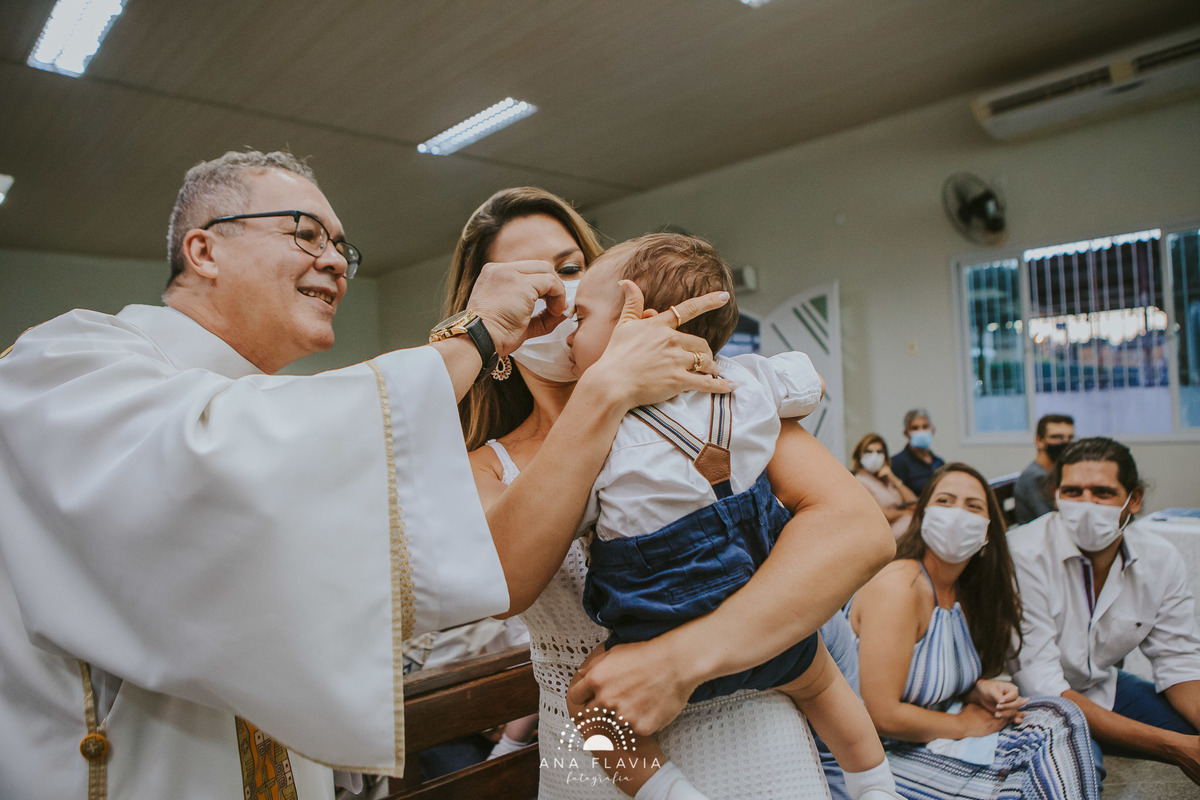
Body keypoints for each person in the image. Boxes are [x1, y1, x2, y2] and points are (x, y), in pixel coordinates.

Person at [0, 153, 730, 800]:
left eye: (343, 247)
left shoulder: (703, 401)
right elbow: (222, 459)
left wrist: (717, 663)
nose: (336, 262)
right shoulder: (68, 360)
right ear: (203, 249)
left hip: (743, 714)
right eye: (305, 233)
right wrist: (480, 344)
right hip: (595, 750)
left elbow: (832, 541)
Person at [447, 187, 897, 799]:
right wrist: (604, 392)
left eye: (571, 268)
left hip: (759, 735)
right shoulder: (484, 467)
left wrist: (677, 663)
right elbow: (507, 582)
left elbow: (859, 532)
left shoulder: (710, 395)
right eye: (526, 278)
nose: (557, 295)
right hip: (597, 759)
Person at [564, 234, 899, 800]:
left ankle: (666, 793)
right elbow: (809, 384)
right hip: (761, 609)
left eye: (580, 316)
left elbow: (575, 514)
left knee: (588, 710)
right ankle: (875, 783)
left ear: (637, 324)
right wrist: (728, 370)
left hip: (656, 623)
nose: (569, 333)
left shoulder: (599, 429)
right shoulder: (746, 380)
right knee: (822, 680)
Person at [850, 463, 1100, 799]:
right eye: (945, 501)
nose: (957, 514)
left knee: (1057, 715)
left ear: (986, 532)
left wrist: (977, 692)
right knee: (1039, 760)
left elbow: (925, 676)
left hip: (929, 739)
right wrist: (963, 725)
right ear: (922, 517)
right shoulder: (900, 586)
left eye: (973, 506)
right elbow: (882, 715)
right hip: (882, 753)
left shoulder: (964, 592)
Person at [1009, 437, 1200, 785]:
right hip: (1033, 703)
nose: (1086, 505)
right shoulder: (1024, 554)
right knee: (1079, 775)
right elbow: (1044, 687)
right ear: (1055, 495)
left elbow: (1178, 660)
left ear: (1134, 499)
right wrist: (1174, 748)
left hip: (1100, 687)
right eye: (1072, 492)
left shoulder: (1159, 559)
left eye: (1102, 492)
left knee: (1190, 726)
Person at [1012, 413, 1075, 524]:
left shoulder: (1050, 473)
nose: (1065, 443)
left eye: (1070, 438)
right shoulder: (1036, 477)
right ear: (1039, 441)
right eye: (1057, 437)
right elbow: (1050, 521)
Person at [851, 433, 917, 537]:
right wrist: (909, 513)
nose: (874, 456)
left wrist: (894, 479)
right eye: (869, 452)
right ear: (859, 455)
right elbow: (886, 515)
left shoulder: (886, 478)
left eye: (879, 452)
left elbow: (914, 504)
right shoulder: (860, 481)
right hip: (883, 533)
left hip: (902, 526)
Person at [888, 409, 944, 496]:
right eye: (915, 428)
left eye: (925, 427)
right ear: (906, 433)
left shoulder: (939, 462)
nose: (921, 431)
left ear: (933, 430)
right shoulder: (897, 463)